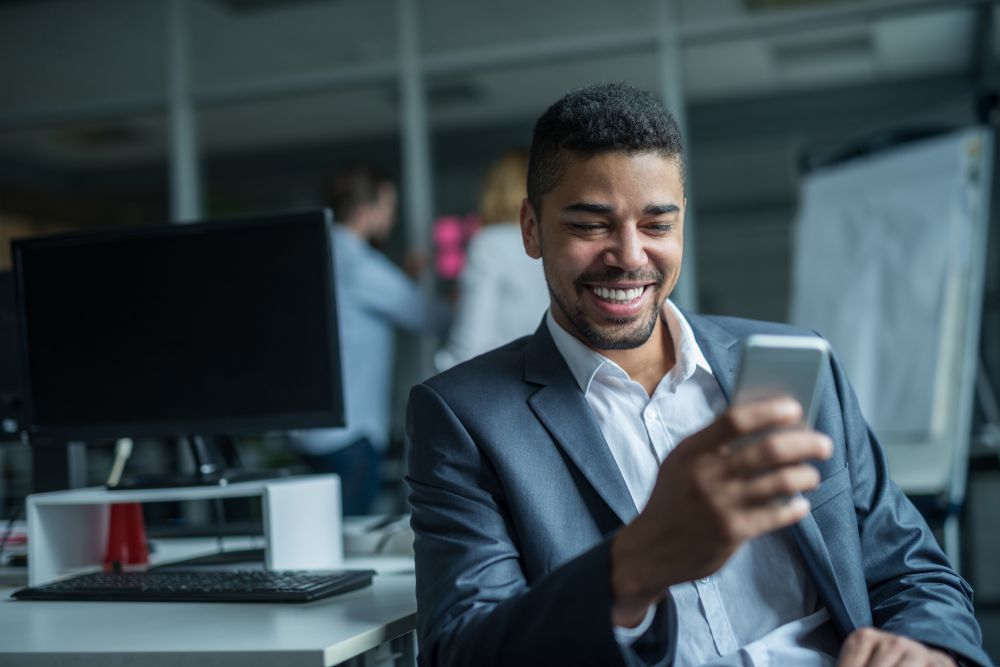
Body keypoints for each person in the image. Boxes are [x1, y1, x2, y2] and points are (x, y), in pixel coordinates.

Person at [405, 83, 990, 666]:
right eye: (590, 226)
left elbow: (912, 570)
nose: (630, 256)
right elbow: (462, 650)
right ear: (531, 228)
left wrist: (928, 649)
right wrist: (635, 566)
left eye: (657, 224)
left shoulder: (801, 361)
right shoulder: (462, 416)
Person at [292, 166, 448, 516]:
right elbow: (429, 317)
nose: (391, 218)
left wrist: (402, 279)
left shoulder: (315, 254)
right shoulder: (361, 266)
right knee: (349, 547)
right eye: (388, 208)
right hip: (350, 437)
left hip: (310, 433)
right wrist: (464, 294)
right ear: (365, 212)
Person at [435, 148, 549, 370]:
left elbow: (469, 343)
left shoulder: (490, 243)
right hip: (554, 381)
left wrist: (443, 366)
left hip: (502, 384)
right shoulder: (554, 239)